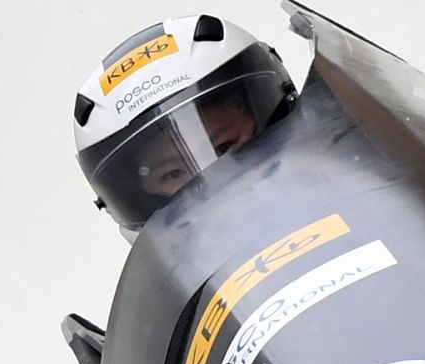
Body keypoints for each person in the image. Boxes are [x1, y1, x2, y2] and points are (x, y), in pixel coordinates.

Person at [72, 15, 297, 241]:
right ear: (143, 197)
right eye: (172, 174)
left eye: (224, 147)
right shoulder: (159, 275)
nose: (215, 183)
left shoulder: (330, 180)